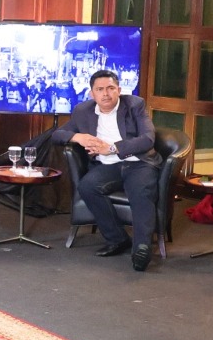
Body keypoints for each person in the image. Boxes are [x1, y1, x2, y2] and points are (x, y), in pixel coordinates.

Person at [53, 69, 161, 272]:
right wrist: (78, 137)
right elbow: (57, 135)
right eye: (100, 89)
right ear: (92, 93)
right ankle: (117, 239)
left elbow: (148, 139)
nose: (106, 94)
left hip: (138, 163)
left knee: (140, 192)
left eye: (111, 88)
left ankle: (142, 248)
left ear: (118, 90)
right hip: (108, 166)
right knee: (87, 187)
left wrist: (112, 148)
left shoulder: (135, 105)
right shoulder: (83, 111)